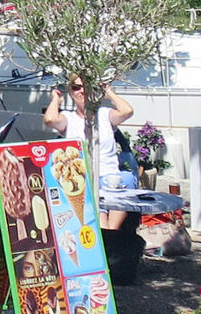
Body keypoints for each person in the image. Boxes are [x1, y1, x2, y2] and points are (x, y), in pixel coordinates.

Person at [43, 75, 139, 230]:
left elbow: (127, 111)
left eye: (86, 87)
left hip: (111, 178)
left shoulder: (104, 115)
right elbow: (50, 120)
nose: (82, 91)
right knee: (100, 217)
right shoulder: (69, 118)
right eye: (76, 87)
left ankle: (110, 236)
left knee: (125, 180)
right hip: (85, 180)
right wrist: (56, 99)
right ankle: (108, 239)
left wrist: (109, 92)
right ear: (71, 92)